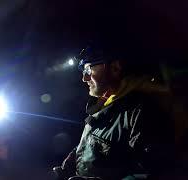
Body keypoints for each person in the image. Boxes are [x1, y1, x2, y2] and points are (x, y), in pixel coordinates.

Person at [53, 44, 175, 180]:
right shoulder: (105, 104)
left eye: (88, 70)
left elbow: (151, 172)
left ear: (115, 68)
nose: (84, 78)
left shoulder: (141, 111)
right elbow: (90, 145)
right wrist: (63, 171)